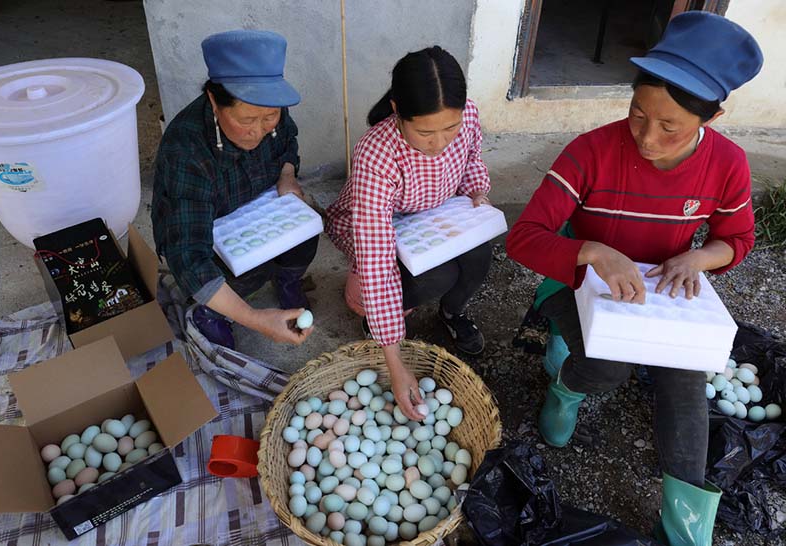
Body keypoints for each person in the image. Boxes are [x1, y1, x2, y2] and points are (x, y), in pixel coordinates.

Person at [507, 12, 763, 546]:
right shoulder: (592, 151)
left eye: (669, 126)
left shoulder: (728, 165)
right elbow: (525, 237)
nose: (647, 137)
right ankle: (567, 385)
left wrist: (698, 259)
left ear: (710, 117)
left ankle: (684, 527)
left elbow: (736, 240)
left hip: (660, 298)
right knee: (607, 368)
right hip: (575, 285)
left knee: (687, 384)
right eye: (637, 113)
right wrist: (594, 251)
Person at [326, 46, 493, 421]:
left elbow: (471, 157)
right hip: (382, 228)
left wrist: (477, 190)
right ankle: (377, 318)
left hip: (431, 216)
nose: (440, 142)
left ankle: (452, 313)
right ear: (398, 112)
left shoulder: (467, 116)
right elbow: (376, 254)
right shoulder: (376, 153)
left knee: (480, 254)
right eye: (425, 133)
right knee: (439, 273)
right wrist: (394, 360)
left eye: (450, 128)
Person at [152, 30, 316, 350]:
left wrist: (287, 175)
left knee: (304, 222)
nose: (259, 129)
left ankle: (287, 279)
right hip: (206, 225)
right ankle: (213, 312)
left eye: (269, 117)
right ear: (215, 100)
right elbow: (189, 255)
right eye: (247, 119)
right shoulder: (185, 149)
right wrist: (255, 319)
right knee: (232, 271)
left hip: (255, 202)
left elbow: (287, 143)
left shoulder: (272, 110)